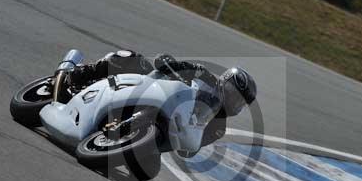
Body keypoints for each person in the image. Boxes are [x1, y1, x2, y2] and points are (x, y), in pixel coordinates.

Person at [67, 51, 257, 148]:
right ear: (225, 83)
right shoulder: (204, 75)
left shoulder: (218, 128)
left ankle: (128, 143)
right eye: (234, 94)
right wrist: (172, 67)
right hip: (149, 88)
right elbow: (168, 62)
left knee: (148, 169)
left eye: (240, 102)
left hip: (167, 129)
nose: (234, 101)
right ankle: (82, 73)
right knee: (131, 58)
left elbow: (191, 149)